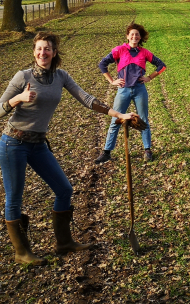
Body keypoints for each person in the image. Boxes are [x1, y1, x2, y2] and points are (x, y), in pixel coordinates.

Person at [0, 32, 137, 265]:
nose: (43, 53)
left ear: (54, 53)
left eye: (47, 49)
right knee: (14, 198)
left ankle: (63, 242)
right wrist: (17, 99)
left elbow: (86, 99)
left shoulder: (61, 76)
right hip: (13, 143)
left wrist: (119, 114)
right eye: (39, 49)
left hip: (38, 144)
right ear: (34, 51)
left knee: (64, 189)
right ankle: (21, 252)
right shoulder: (22, 77)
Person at [95, 23, 166, 164]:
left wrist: (150, 77)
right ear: (127, 36)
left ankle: (147, 150)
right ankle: (107, 152)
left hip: (140, 90)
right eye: (132, 34)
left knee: (143, 119)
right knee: (116, 119)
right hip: (123, 91)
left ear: (140, 38)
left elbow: (162, 66)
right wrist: (111, 81)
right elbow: (102, 64)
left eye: (137, 34)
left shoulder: (145, 52)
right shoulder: (119, 50)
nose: (134, 36)